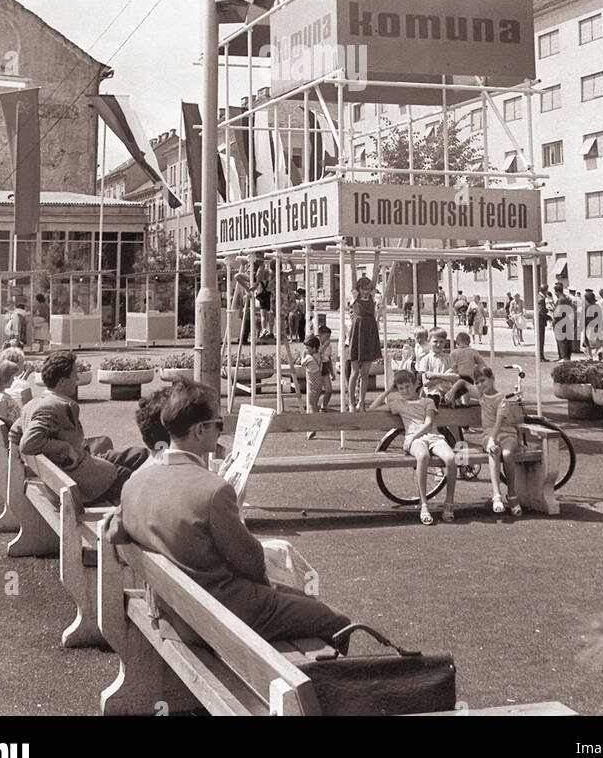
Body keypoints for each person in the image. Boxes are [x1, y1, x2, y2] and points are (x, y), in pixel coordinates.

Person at [103, 381, 351, 642]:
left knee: (300, 597)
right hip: (220, 616)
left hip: (172, 611)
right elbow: (251, 561)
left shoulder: (135, 483)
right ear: (200, 430)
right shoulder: (214, 491)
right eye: (218, 424)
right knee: (339, 622)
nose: (221, 431)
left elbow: (114, 527)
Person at [9, 350, 149, 504]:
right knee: (138, 479)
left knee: (140, 454)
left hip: (75, 465)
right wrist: (65, 448)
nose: (76, 378)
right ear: (62, 381)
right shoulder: (50, 407)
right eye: (74, 374)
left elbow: (14, 433)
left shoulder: (33, 404)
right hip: (81, 480)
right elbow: (28, 443)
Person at [371, 370, 457, 525]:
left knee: (451, 458)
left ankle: (449, 502)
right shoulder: (398, 404)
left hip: (431, 437)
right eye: (401, 388)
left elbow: (428, 423)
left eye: (407, 386)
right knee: (423, 456)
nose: (404, 391)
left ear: (416, 384)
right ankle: (424, 504)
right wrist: (389, 390)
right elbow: (371, 409)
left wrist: (412, 438)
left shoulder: (427, 402)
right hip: (416, 441)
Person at [477, 366, 523, 517]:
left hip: (506, 434)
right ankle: (496, 494)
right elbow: (463, 383)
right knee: (494, 451)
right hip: (488, 436)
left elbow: (498, 423)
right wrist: (454, 389)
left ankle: (512, 494)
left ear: (492, 379)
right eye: (477, 382)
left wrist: (492, 439)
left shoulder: (501, 399)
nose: (480, 385)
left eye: (483, 380)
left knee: (508, 453)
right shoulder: (480, 396)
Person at [347, 275, 381, 412]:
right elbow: (354, 273)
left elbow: (374, 274)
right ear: (359, 289)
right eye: (363, 289)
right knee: (355, 372)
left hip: (369, 332)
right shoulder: (355, 297)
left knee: (365, 373)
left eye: (368, 289)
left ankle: (361, 402)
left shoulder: (373, 297)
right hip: (358, 332)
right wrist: (353, 257)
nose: (365, 291)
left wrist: (377, 256)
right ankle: (351, 402)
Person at [298, 334, 323, 439]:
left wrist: (302, 355)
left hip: (312, 384)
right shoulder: (318, 356)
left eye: (307, 348)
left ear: (313, 348)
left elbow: (302, 363)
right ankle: (314, 423)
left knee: (311, 405)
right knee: (314, 404)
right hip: (318, 383)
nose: (306, 349)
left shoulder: (308, 357)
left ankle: (313, 426)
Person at [552, 283, 575, 360]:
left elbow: (558, 313)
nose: (555, 294)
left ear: (557, 292)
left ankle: (563, 357)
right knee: (566, 339)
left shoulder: (561, 300)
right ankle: (565, 356)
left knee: (561, 340)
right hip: (566, 321)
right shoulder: (566, 298)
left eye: (555, 292)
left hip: (560, 322)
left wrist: (554, 320)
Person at [316, 322, 334, 413]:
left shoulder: (329, 346)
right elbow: (318, 354)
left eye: (329, 337)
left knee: (329, 390)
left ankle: (324, 406)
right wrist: (324, 346)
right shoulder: (316, 343)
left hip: (325, 367)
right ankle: (314, 406)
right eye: (326, 336)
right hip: (318, 367)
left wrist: (332, 372)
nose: (328, 339)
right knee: (317, 390)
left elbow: (329, 358)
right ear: (320, 335)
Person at [536, 289, 551, 362]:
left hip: (538, 321)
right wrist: (548, 317)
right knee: (541, 340)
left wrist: (546, 310)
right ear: (545, 291)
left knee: (539, 340)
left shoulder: (538, 297)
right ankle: (541, 356)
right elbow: (541, 312)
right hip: (540, 322)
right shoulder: (541, 299)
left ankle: (540, 355)